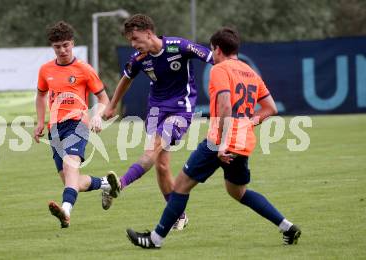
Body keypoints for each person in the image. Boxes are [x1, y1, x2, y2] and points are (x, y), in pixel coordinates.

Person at [126, 27, 301, 248]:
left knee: (180, 186)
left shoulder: (220, 69)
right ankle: (287, 227)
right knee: (238, 192)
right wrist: (248, 122)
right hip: (243, 141)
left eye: (212, 50)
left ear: (217, 49)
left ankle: (155, 239)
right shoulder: (251, 73)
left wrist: (224, 143)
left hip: (220, 140)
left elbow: (226, 106)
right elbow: (270, 108)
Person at [102, 14, 213, 230]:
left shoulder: (178, 46)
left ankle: (119, 186)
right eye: (130, 41)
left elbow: (212, 58)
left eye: (135, 38)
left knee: (151, 151)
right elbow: (126, 78)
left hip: (181, 110)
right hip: (155, 111)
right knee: (161, 166)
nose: (133, 44)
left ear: (148, 33)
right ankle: (179, 216)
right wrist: (112, 105)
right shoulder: (139, 58)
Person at [33, 21, 120, 228]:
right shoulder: (45, 70)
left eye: (66, 45)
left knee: (70, 165)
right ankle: (106, 184)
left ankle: (66, 211)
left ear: (72, 43)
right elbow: (40, 95)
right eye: (57, 47)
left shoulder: (84, 69)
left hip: (77, 123)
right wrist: (40, 122)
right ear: (52, 47)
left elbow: (104, 100)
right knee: (72, 181)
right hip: (55, 129)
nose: (62, 50)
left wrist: (98, 115)